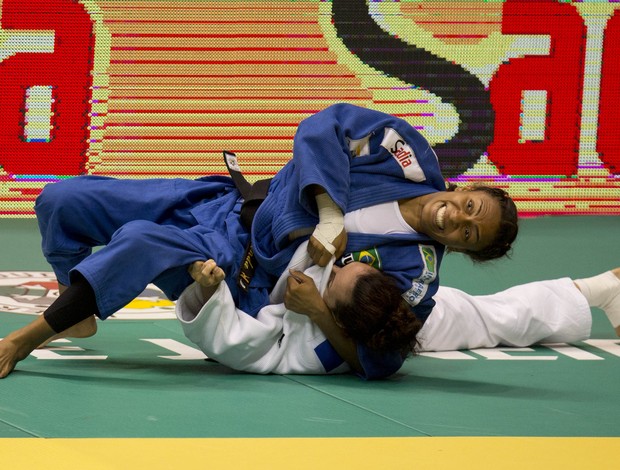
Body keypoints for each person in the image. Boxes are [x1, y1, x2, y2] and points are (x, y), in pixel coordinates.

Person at [0, 103, 518, 379]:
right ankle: (81, 307)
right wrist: (329, 213)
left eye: (470, 235)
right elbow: (325, 125)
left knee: (138, 241)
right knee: (60, 202)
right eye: (471, 206)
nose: (457, 220)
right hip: (225, 204)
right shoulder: (406, 157)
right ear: (467, 186)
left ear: (465, 251)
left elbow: (379, 360)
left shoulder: (415, 272)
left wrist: (318, 310)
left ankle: (23, 341)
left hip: (240, 265)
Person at [178, 255, 620, 377]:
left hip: (403, 323)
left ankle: (604, 289)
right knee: (494, 317)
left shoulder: (316, 348)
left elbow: (375, 366)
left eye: (336, 279)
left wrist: (315, 307)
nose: (338, 266)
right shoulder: (386, 294)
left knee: (498, 318)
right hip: (389, 312)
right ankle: (604, 288)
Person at [179, 242, 420, 375]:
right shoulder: (397, 301)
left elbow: (240, 346)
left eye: (332, 281)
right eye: (340, 266)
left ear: (339, 320)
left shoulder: (313, 351)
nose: (329, 268)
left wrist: (209, 288)